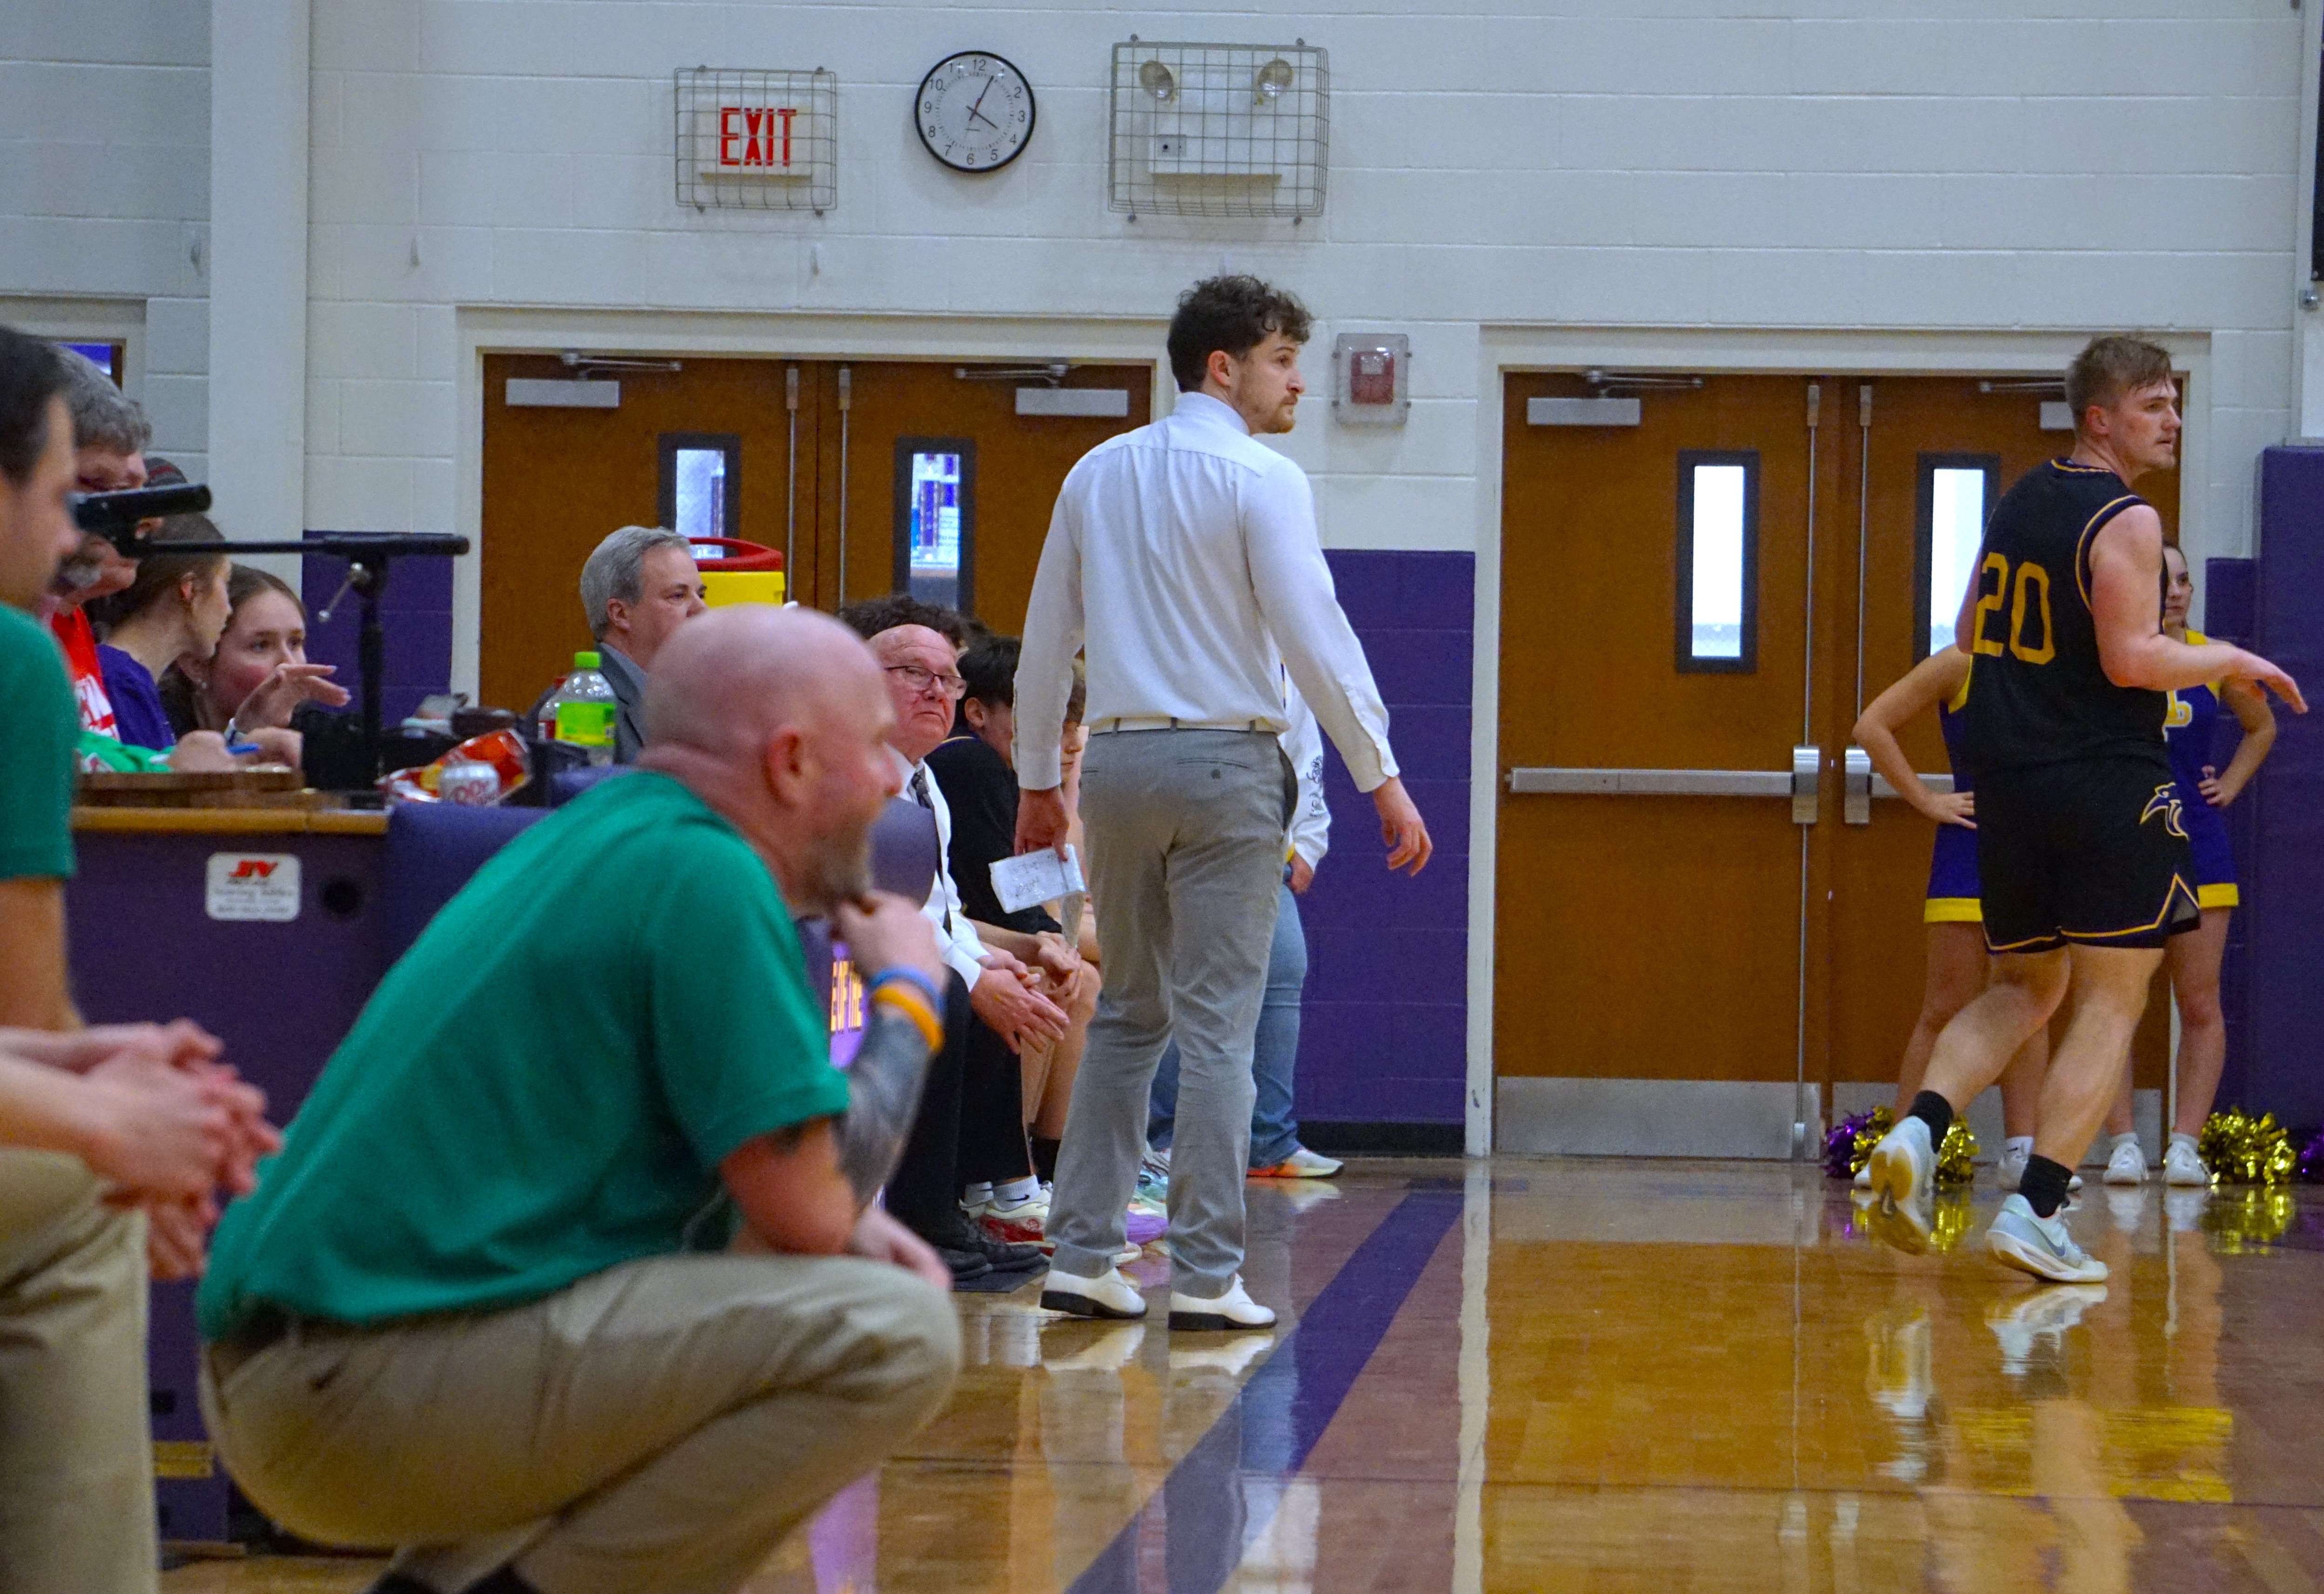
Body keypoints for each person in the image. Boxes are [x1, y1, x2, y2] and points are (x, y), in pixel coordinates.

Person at [195, 605, 964, 1594]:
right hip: (348, 1380)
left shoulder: (610, 836)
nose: (885, 781)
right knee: (892, 1332)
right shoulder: (704, 873)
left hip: (313, 1364)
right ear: (791, 760)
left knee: (780, 1283)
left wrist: (832, 1225)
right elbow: (812, 1204)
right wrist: (909, 996)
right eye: (870, 749)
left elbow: (757, 1189)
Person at [1015, 275, 1432, 1331]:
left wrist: (1033, 778)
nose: (1299, 382)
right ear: (1223, 365)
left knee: (1125, 1018)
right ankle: (1204, 1275)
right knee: (1217, 1030)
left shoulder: (1093, 472)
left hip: (1111, 766)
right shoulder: (1263, 475)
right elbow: (1316, 639)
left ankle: (1083, 1254)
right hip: (1226, 766)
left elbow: (1042, 638)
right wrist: (1378, 773)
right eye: (1285, 360)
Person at [1862, 335, 2304, 1284]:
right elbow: (2134, 661)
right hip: (2104, 781)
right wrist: (2230, 657)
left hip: (2008, 785)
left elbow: (1966, 634)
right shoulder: (2130, 518)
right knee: (2113, 991)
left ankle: (1915, 1131)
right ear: (2099, 417)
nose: (2173, 419)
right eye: (2153, 404)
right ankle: (2038, 1205)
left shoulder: (2021, 500)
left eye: (2175, 402)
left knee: (2024, 987)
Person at [0, 323, 278, 1594]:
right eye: (67, 499)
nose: (80, 540)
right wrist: (101, 1122)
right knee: (73, 1203)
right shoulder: (16, 659)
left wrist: (80, 1066)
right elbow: (22, 992)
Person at [848, 612, 1062, 1281]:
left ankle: (979, 1193)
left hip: (913, 945)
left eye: (947, 677)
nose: (936, 690)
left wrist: (993, 957)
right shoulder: (859, 775)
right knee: (953, 997)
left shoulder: (927, 780)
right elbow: (890, 908)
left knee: (1000, 986)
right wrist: (973, 971)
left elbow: (946, 908)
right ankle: (924, 1214)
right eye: (916, 674)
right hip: (851, 954)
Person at [1852, 646, 2065, 1196]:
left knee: (2029, 1003)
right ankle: (1901, 1149)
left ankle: (2022, 1150)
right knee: (1944, 1004)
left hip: (2040, 849)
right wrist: (1925, 798)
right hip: (1968, 849)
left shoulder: (2066, 660)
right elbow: (1871, 725)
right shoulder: (1959, 663)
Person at [2096, 543, 2277, 1186]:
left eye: (2182, 581)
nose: (2174, 591)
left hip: (2198, 844)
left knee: (2199, 1001)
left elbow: (2262, 727)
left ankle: (2183, 1145)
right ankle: (2121, 1142)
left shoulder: (2210, 659)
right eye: (2161, 580)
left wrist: (2227, 784)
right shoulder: (2113, 657)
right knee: (2116, 1001)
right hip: (2127, 845)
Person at [926, 632, 1102, 1213]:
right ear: (977, 712)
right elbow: (1015, 902)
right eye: (1048, 720)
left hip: (971, 930)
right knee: (1049, 978)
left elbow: (1054, 895)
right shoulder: (966, 762)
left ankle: (1040, 1172)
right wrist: (1050, 940)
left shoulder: (1002, 774)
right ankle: (1009, 1177)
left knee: (1075, 973)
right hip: (951, 942)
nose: (1066, 739)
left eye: (1072, 724)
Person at [1148, 675, 1342, 1181]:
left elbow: (1304, 755)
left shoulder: (1289, 663)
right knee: (1175, 975)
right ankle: (1163, 1138)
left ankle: (1268, 1140)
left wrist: (1307, 840)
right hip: (1184, 833)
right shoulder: (1187, 638)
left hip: (1263, 841)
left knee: (1283, 966)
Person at [46, 345, 149, 741]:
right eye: (97, 485)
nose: (138, 517)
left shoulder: (71, 616)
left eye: (135, 490)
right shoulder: (22, 634)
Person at [157, 564, 349, 763]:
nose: (289, 664)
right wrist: (241, 739)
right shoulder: (153, 726)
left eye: (295, 643)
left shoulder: (308, 729)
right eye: (261, 646)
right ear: (197, 665)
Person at [83, 511, 230, 753]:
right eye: (226, 581)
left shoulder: (129, 678)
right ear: (191, 590)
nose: (229, 609)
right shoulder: (118, 681)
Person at [578, 525, 708, 763]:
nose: (702, 610)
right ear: (620, 614)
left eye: (702, 595)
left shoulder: (682, 699)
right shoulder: (582, 705)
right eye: (678, 596)